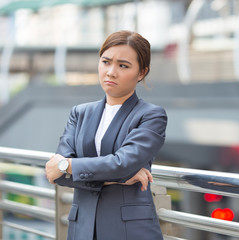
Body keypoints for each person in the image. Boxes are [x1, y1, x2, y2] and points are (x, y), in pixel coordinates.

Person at [45, 30, 167, 240]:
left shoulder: (151, 115)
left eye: (123, 65)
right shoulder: (80, 113)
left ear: (141, 73)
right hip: (81, 229)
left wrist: (68, 165)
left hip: (129, 231)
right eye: (106, 62)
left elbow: (122, 163)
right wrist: (117, 179)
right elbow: (57, 176)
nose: (111, 72)